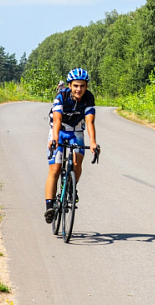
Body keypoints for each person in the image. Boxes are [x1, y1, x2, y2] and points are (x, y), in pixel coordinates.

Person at [44, 68, 99, 223]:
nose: (78, 89)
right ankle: (49, 205)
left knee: (77, 162)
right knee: (55, 168)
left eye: (82, 86)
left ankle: (71, 186)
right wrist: (54, 139)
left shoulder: (88, 98)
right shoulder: (61, 96)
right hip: (59, 130)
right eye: (75, 85)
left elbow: (89, 121)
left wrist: (93, 142)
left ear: (86, 86)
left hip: (76, 131)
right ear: (69, 85)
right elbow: (57, 120)